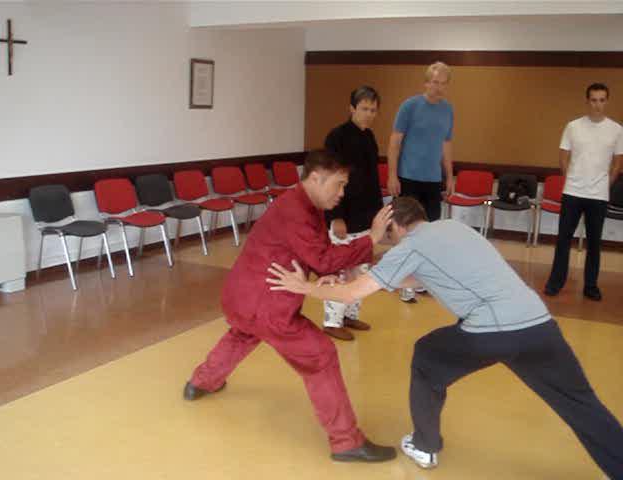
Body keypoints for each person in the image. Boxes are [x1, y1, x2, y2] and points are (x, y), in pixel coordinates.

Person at [267, 196, 623, 478]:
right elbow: (422, 277)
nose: (390, 244)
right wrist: (364, 280)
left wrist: (305, 287)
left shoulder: (411, 246)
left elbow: (350, 297)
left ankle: (424, 445)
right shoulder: (456, 228)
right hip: (538, 324)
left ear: (397, 226)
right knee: (580, 402)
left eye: (389, 235)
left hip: (492, 330)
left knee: (427, 356)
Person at [183, 150, 397, 463]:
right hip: (266, 305)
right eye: (338, 185)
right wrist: (372, 239)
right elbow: (322, 258)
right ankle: (346, 441)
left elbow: (318, 253)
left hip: (240, 296)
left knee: (243, 334)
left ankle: (200, 383)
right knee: (320, 356)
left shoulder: (301, 204)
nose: (341, 193)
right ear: (315, 177)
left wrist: (331, 271)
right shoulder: (297, 210)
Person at [545, 83, 623, 301]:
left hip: (598, 196)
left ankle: (591, 286)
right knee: (563, 240)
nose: (598, 105)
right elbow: (563, 155)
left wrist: (606, 183)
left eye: (602, 100)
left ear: (607, 101)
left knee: (594, 242)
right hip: (573, 192)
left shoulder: (617, 130)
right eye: (594, 100)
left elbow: (618, 162)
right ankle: (555, 282)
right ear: (587, 101)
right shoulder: (573, 127)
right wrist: (570, 177)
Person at [387, 61, 455, 303]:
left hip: (432, 179)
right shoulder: (410, 106)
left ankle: (422, 279)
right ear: (426, 82)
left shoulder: (448, 110)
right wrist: (392, 175)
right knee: (406, 232)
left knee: (428, 233)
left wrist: (449, 175)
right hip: (408, 177)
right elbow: (394, 142)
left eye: (443, 83)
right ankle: (404, 283)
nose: (438, 87)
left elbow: (446, 144)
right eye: (434, 82)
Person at [322, 86, 384, 341]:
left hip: (365, 215)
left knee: (361, 270)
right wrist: (335, 216)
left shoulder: (369, 137)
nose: (369, 114)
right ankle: (331, 321)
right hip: (343, 217)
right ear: (352, 109)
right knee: (341, 271)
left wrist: (379, 215)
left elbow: (371, 179)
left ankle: (349, 314)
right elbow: (330, 179)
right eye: (364, 109)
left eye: (373, 110)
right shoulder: (336, 137)